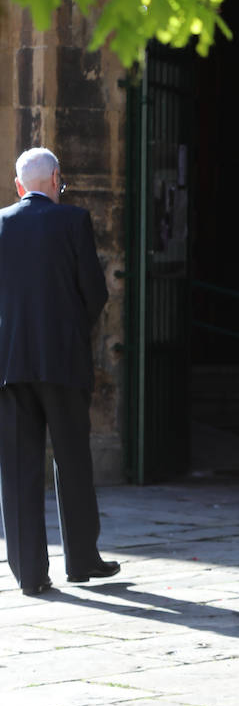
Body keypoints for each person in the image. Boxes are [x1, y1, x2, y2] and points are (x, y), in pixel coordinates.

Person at [0, 149, 118, 595]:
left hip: (10, 364)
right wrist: (70, 329)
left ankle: (30, 574)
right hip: (63, 360)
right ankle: (82, 561)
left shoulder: (1, 223)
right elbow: (94, 292)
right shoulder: (73, 221)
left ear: (18, 186)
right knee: (72, 460)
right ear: (56, 180)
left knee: (16, 468)